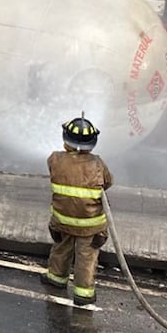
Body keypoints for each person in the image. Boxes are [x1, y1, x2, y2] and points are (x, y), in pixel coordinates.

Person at [40, 115, 114, 306]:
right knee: (86, 258)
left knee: (61, 249)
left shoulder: (55, 160)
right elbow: (108, 182)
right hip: (90, 225)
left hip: (62, 221)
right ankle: (83, 294)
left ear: (66, 141)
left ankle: (56, 279)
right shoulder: (98, 164)